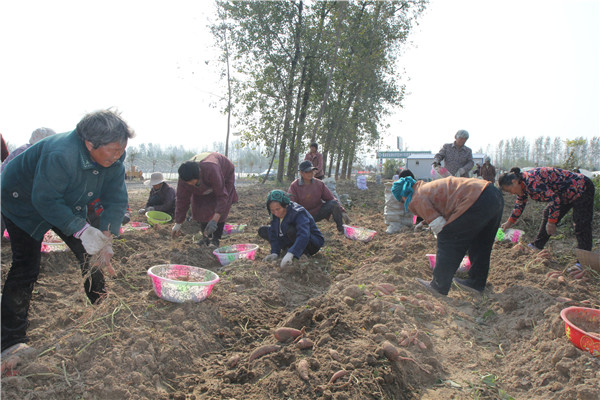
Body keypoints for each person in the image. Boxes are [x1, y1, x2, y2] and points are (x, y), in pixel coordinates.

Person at [1, 109, 133, 368]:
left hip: (64, 201)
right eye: (114, 150)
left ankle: (102, 308)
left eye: (122, 149)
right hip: (21, 202)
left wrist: (105, 238)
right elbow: (45, 200)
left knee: (89, 255)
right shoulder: (60, 153)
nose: (119, 155)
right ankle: (10, 341)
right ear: (89, 143)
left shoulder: (114, 158)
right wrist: (82, 230)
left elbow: (116, 198)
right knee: (26, 266)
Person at [392, 175, 504, 296]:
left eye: (402, 201)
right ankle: (476, 283)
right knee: (481, 243)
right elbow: (445, 206)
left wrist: (444, 241)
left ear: (403, 196)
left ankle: (438, 285)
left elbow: (440, 227)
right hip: (492, 195)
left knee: (448, 237)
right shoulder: (424, 188)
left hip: (476, 198)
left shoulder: (416, 198)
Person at [499, 167, 594, 261]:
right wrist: (509, 222)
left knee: (581, 224)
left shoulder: (532, 182)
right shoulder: (522, 183)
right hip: (564, 194)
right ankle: (537, 245)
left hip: (581, 187)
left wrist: (552, 222)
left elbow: (554, 199)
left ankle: (584, 261)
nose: (511, 193)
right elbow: (520, 203)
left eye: (509, 190)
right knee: (548, 213)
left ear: (514, 182)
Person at [171, 153, 238, 248]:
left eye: (192, 182)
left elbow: (222, 196)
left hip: (224, 174)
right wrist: (178, 222)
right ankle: (205, 237)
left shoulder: (211, 169)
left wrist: (214, 220)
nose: (190, 184)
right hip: (206, 181)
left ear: (198, 174)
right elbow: (182, 199)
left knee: (220, 205)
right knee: (199, 206)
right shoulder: (184, 179)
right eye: (188, 183)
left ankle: (215, 239)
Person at [261, 190, 324, 270]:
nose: (276, 213)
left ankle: (301, 253)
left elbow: (304, 234)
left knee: (291, 230)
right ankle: (289, 248)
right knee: (265, 230)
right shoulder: (274, 215)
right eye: (272, 210)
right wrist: (275, 252)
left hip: (311, 243)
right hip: (289, 237)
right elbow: (273, 232)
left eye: (278, 209)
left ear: (286, 205)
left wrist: (292, 253)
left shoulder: (298, 213)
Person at [288, 160, 349, 233]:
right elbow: (291, 204)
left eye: (312, 171)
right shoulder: (295, 186)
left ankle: (341, 229)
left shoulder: (319, 184)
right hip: (302, 215)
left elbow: (331, 198)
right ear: (301, 173)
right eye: (307, 172)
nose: (310, 174)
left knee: (333, 204)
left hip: (317, 212)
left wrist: (342, 211)